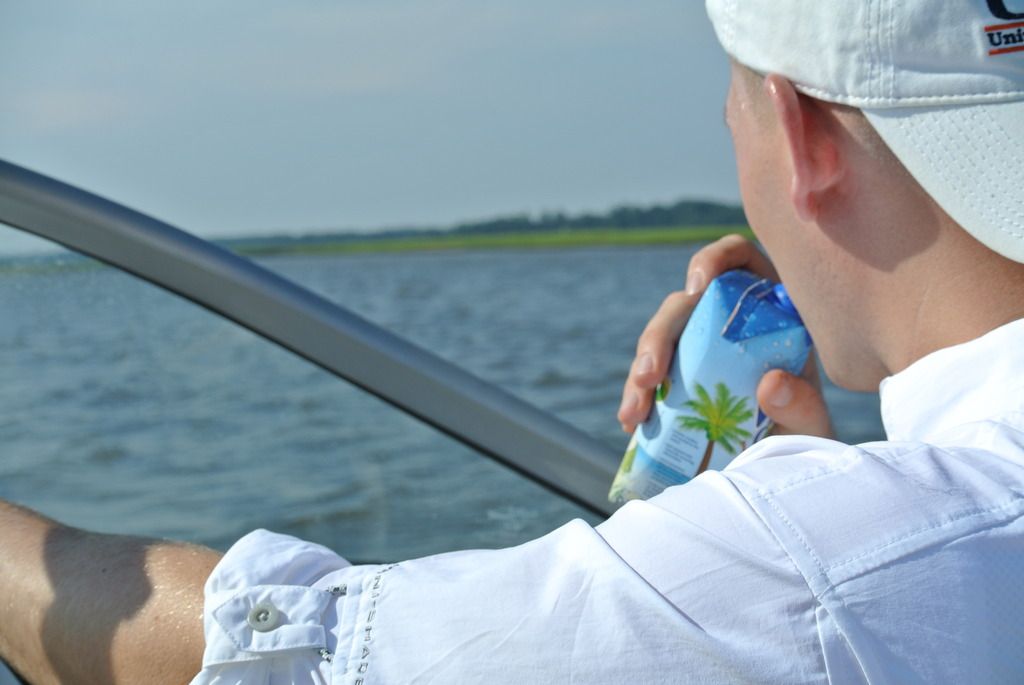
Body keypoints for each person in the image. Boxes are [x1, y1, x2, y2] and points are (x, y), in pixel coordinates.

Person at [3, 0, 1024, 682]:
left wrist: (786, 511)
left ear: (799, 137)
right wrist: (825, 468)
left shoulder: (821, 559)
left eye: (733, 114)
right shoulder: (885, 527)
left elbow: (293, 658)